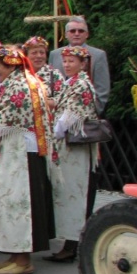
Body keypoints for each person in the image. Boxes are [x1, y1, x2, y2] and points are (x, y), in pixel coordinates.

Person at [0, 45, 56, 274]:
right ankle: (16, 254)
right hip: (18, 150)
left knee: (19, 201)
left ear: (11, 64)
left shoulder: (20, 85)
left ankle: (23, 259)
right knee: (12, 201)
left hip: (21, 153)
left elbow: (7, 120)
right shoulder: (23, 81)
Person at [44, 45, 99, 262]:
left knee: (75, 192)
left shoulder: (82, 85)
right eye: (65, 61)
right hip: (67, 147)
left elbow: (71, 115)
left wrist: (55, 131)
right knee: (67, 192)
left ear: (83, 63)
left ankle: (73, 243)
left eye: (72, 61)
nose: (67, 65)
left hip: (74, 147)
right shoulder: (72, 83)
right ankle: (69, 242)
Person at [48, 17, 110, 115]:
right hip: (57, 116)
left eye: (81, 31)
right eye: (72, 31)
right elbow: (50, 86)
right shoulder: (54, 54)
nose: (77, 34)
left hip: (85, 116)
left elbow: (102, 90)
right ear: (66, 34)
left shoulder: (98, 55)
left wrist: (92, 113)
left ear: (87, 34)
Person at [23, 35, 64, 101]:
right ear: (26, 56)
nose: (39, 56)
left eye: (42, 53)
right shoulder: (20, 74)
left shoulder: (54, 75)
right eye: (34, 53)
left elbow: (61, 101)